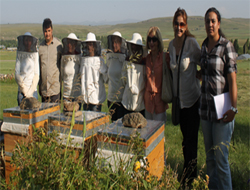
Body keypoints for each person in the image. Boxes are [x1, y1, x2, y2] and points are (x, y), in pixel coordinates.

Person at [200, 7, 237, 190]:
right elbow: (206, 74)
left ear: (219, 23)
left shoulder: (226, 46)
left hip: (223, 112)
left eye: (213, 21)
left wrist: (234, 108)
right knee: (210, 158)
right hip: (205, 111)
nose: (210, 24)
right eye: (207, 21)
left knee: (222, 161)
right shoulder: (203, 46)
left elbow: (232, 80)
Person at [168, 8, 201, 185]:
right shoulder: (172, 45)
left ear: (186, 25)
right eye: (176, 23)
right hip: (179, 102)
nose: (179, 27)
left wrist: (201, 74)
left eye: (182, 24)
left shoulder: (192, 44)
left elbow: (203, 60)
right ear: (173, 24)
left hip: (193, 100)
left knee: (191, 141)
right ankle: (188, 176)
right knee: (184, 141)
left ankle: (189, 180)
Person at [144, 26, 168, 122]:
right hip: (148, 103)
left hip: (160, 102)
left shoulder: (165, 58)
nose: (151, 43)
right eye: (149, 40)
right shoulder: (147, 59)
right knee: (148, 134)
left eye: (154, 40)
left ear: (159, 41)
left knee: (159, 135)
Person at [80, 32, 107, 112]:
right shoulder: (83, 60)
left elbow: (106, 77)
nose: (89, 46)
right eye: (88, 44)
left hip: (96, 100)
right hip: (85, 99)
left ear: (95, 46)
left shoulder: (100, 60)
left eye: (91, 44)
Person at [121, 33, 146, 116]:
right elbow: (123, 79)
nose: (134, 48)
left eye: (136, 46)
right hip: (127, 102)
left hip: (140, 104)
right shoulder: (127, 62)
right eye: (133, 46)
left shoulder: (144, 63)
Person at [39, 18, 62, 103]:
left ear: (52, 30)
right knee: (44, 116)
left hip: (55, 90)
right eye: (45, 31)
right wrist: (39, 85)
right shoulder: (40, 47)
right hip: (44, 90)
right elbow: (39, 68)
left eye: (49, 31)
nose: (47, 34)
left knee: (55, 116)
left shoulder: (58, 46)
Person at [106, 31, 127, 121]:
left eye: (117, 42)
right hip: (110, 99)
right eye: (113, 42)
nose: (114, 45)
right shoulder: (110, 58)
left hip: (121, 100)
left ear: (121, 43)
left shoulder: (124, 59)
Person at [15, 32, 39, 105]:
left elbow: (36, 74)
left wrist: (30, 92)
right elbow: (17, 74)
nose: (27, 43)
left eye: (29, 40)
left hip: (33, 92)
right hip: (21, 93)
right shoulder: (19, 54)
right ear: (23, 41)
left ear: (32, 42)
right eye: (26, 40)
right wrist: (24, 90)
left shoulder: (35, 54)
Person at [61, 33, 81, 105]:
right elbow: (62, 74)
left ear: (75, 44)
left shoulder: (79, 58)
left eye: (71, 43)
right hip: (66, 95)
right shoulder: (64, 58)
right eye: (68, 43)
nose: (69, 45)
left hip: (76, 96)